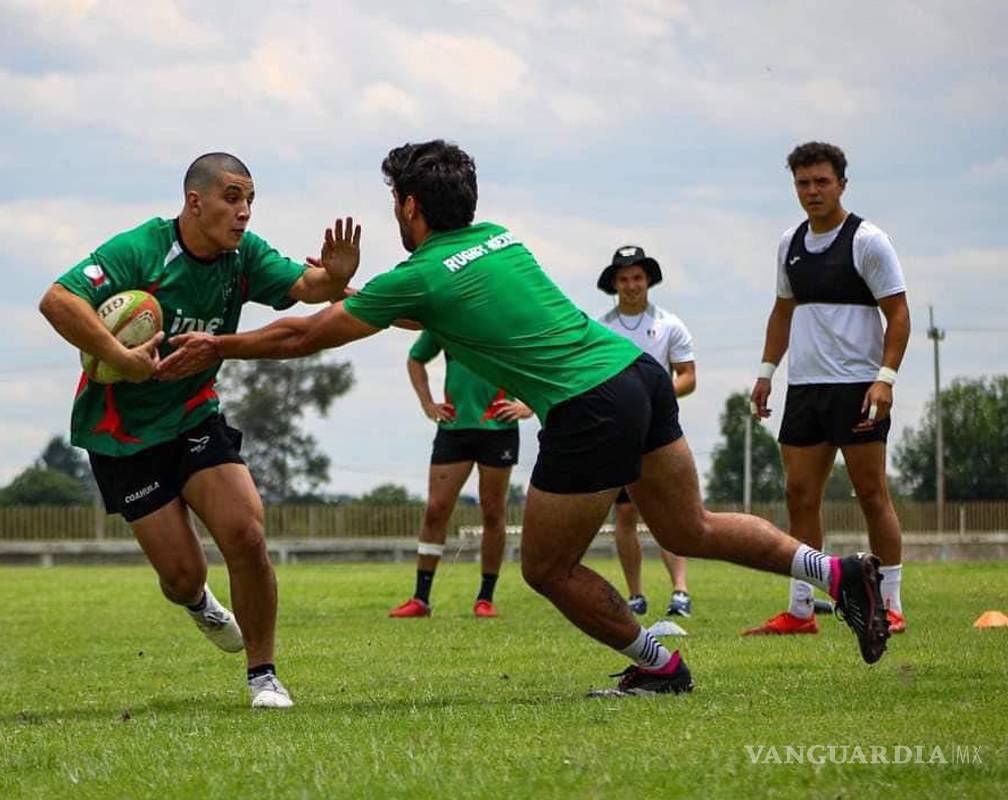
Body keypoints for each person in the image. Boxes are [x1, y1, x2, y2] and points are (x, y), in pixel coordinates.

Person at [157, 140, 890, 697]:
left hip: (587, 405)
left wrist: (218, 344)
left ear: (409, 208)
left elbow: (302, 335)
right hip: (638, 378)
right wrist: (345, 290)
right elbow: (424, 304)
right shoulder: (500, 237)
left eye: (395, 204)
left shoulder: (415, 273)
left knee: (544, 567)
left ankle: (659, 666)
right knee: (688, 527)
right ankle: (838, 570)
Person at [39, 152, 361, 708]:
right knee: (183, 577)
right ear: (195, 202)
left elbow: (307, 288)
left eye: (250, 200)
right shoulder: (142, 248)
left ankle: (264, 676)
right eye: (232, 198)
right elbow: (58, 300)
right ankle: (200, 603)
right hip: (124, 436)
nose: (244, 213)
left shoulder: (244, 257)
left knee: (247, 532)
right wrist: (123, 355)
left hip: (193, 415)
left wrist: (334, 276)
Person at [747, 141, 910, 636]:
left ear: (842, 183)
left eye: (821, 181)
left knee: (870, 494)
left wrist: (885, 380)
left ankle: (889, 604)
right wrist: (766, 372)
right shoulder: (789, 243)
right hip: (806, 389)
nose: (812, 191)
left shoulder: (868, 241)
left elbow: (898, 314)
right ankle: (801, 610)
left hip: (858, 387)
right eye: (803, 182)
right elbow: (782, 311)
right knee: (799, 495)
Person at [388, 330, 533, 619]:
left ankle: (485, 598)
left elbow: (537, 361)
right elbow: (415, 359)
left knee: (493, 511)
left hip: (498, 430)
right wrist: (427, 403)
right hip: (454, 428)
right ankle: (420, 599)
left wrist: (527, 406)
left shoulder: (506, 319)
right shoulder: (444, 319)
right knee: (435, 509)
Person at [595, 245, 696, 618]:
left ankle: (680, 591)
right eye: (624, 279)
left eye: (637, 277)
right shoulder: (602, 328)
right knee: (625, 516)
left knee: (668, 513)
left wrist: (655, 394)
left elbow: (688, 376)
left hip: (659, 430)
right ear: (614, 283)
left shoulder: (670, 324)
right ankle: (635, 593)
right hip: (618, 434)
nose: (632, 285)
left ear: (648, 280)